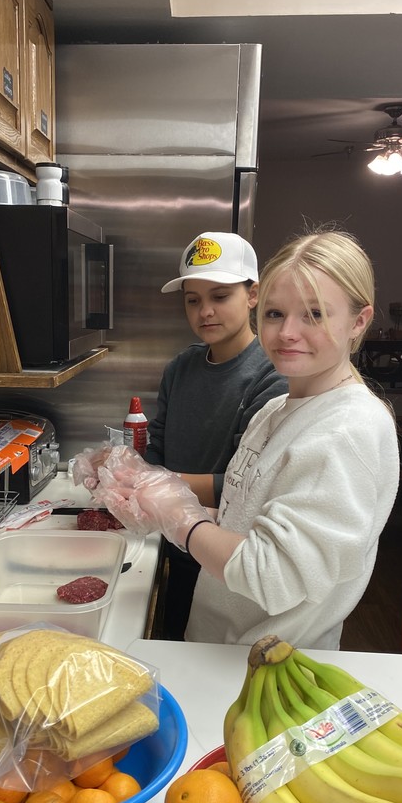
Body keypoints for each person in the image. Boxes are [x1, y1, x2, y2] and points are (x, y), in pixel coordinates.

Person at [80, 228, 400, 649]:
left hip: (270, 667)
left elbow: (273, 576)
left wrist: (182, 517)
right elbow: (243, 521)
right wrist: (150, 494)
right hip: (222, 647)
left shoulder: (347, 429)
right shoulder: (276, 411)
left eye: (314, 314)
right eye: (275, 314)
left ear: (359, 321)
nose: (287, 332)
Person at [143, 231, 289, 640]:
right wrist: (135, 475)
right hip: (172, 541)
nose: (205, 311)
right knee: (171, 642)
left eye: (220, 296)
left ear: (253, 295)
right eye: (193, 300)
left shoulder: (271, 377)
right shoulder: (180, 368)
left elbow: (247, 487)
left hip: (225, 555)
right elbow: (156, 445)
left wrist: (152, 487)